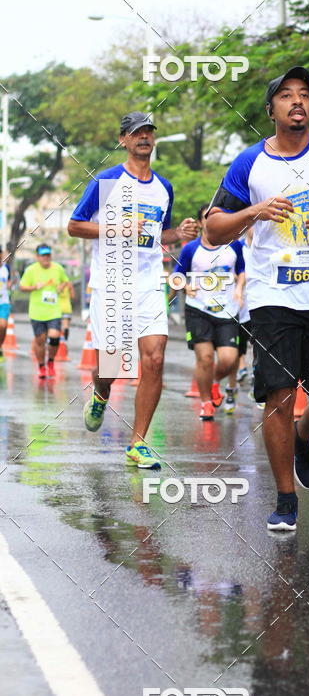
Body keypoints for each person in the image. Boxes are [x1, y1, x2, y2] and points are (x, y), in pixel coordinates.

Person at [206, 66, 309, 530]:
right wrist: (256, 210)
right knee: (277, 395)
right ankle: (285, 500)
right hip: (270, 297)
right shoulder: (248, 164)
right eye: (285, 95)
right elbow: (213, 230)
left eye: (304, 95)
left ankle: (303, 436)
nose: (296, 101)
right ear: (271, 109)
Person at [67, 111, 197, 469]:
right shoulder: (105, 181)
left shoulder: (164, 188)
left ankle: (138, 443)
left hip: (148, 284)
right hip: (111, 284)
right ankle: (100, 392)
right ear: (122, 140)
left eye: (148, 132)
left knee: (154, 358)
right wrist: (118, 226)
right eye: (136, 132)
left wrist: (179, 235)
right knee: (112, 366)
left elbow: (159, 235)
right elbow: (75, 227)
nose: (143, 137)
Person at [175, 204, 245, 420]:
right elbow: (177, 275)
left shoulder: (233, 246)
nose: (214, 222)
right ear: (201, 223)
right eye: (209, 218)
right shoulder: (190, 249)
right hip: (198, 309)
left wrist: (240, 290)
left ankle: (214, 381)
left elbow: (242, 270)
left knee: (228, 359)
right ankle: (206, 402)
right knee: (204, 358)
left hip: (228, 311)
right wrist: (186, 287)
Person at [19, 244, 69, 378]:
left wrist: (61, 286)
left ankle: (51, 362)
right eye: (43, 255)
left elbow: (66, 281)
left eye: (48, 255)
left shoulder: (58, 268)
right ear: (37, 257)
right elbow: (22, 287)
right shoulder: (30, 270)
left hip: (54, 311)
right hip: (37, 312)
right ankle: (41, 366)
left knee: (54, 337)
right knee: (40, 341)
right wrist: (34, 287)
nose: (46, 258)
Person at [0, 248, 12, 360]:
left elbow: (8, 281)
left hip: (3, 302)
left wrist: (9, 285)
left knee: (3, 326)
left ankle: (0, 346)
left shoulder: (6, 268)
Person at [58, 270, 76, 348]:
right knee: (66, 326)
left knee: (57, 326)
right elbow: (73, 296)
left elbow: (56, 292)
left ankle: (60, 341)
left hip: (57, 308)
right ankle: (64, 340)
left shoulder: (57, 284)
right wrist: (70, 287)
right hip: (67, 308)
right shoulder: (69, 285)